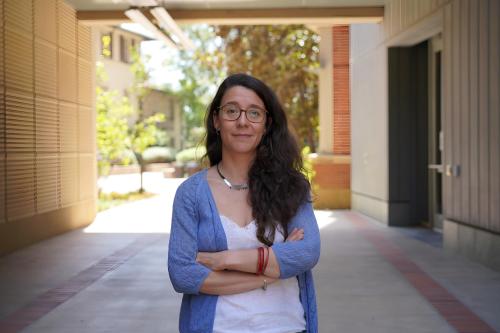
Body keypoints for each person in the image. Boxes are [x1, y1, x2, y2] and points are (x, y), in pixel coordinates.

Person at [168, 73, 320, 333]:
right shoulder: (191, 194)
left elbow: (307, 252)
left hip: (287, 327)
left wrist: (226, 259)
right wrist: (270, 271)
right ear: (217, 120)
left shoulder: (291, 186)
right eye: (231, 111)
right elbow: (182, 274)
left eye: (254, 113)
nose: (242, 122)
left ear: (266, 124)